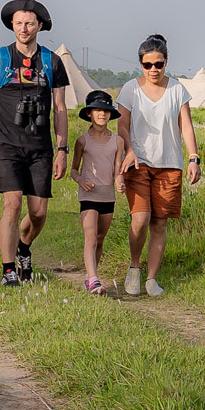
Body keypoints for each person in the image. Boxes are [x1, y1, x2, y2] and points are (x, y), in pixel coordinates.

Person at [0, 0, 68, 287]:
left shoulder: (52, 62)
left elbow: (60, 108)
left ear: (40, 26)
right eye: (19, 23)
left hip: (40, 147)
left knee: (38, 212)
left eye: (29, 23)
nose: (23, 28)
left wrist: (62, 149)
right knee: (13, 204)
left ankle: (23, 248)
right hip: (5, 143)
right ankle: (9, 270)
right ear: (12, 24)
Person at [115, 34, 202, 297]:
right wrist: (128, 150)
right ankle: (134, 268)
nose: (153, 69)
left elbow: (185, 125)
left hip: (169, 164)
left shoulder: (178, 90)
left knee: (159, 223)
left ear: (166, 63)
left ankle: (152, 278)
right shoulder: (130, 89)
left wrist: (193, 157)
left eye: (158, 64)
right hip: (138, 163)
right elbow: (121, 125)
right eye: (147, 64)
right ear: (140, 64)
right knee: (140, 219)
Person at [70, 90, 127, 295]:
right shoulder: (82, 141)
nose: (102, 114)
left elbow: (117, 170)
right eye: (97, 111)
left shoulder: (118, 141)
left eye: (106, 111)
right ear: (89, 114)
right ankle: (94, 279)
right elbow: (74, 170)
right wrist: (81, 180)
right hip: (88, 195)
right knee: (91, 237)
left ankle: (89, 276)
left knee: (101, 238)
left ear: (111, 114)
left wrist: (120, 183)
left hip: (107, 196)